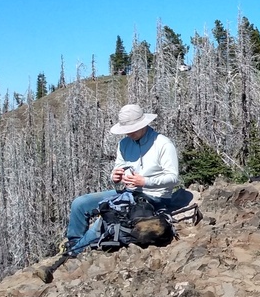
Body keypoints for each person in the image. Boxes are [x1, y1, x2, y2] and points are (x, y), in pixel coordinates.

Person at [63, 104, 191, 256]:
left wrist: (144, 181)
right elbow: (119, 168)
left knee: (107, 216)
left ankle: (75, 252)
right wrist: (115, 177)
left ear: (143, 124)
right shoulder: (124, 144)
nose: (129, 133)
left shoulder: (163, 144)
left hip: (154, 196)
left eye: (133, 128)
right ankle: (74, 243)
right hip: (128, 192)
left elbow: (173, 178)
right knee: (80, 203)